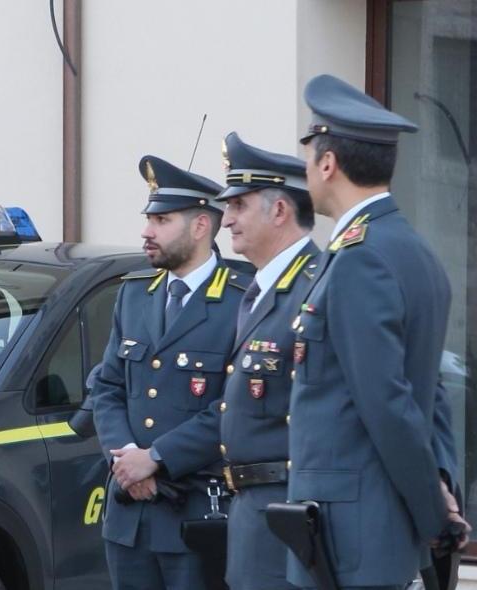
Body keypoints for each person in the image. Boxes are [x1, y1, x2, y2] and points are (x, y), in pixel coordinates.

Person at [287, 74, 471, 589]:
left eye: (309, 156)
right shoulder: (414, 252)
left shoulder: (359, 259)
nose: (306, 169)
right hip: (370, 535)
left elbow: (387, 402)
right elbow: (427, 390)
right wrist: (439, 481)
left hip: (349, 543)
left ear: (328, 163)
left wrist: (434, 512)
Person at [92, 154, 250, 589]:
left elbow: (236, 405)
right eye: (148, 219)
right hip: (129, 518)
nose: (146, 231)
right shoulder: (135, 295)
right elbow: (106, 387)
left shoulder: (242, 300)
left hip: (195, 515)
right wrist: (126, 459)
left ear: (201, 226)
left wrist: (156, 460)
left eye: (161, 220)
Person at [215, 131, 320, 590]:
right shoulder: (258, 291)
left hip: (291, 509)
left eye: (239, 205)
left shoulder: (315, 289)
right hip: (253, 510)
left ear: (279, 210)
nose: (225, 220)